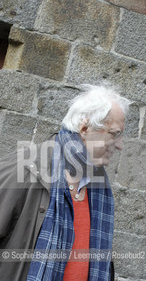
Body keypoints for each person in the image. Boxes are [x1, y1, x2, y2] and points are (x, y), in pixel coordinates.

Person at [0, 84, 131, 281]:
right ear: (85, 128)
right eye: (114, 134)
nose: (120, 146)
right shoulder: (24, 171)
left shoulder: (98, 186)